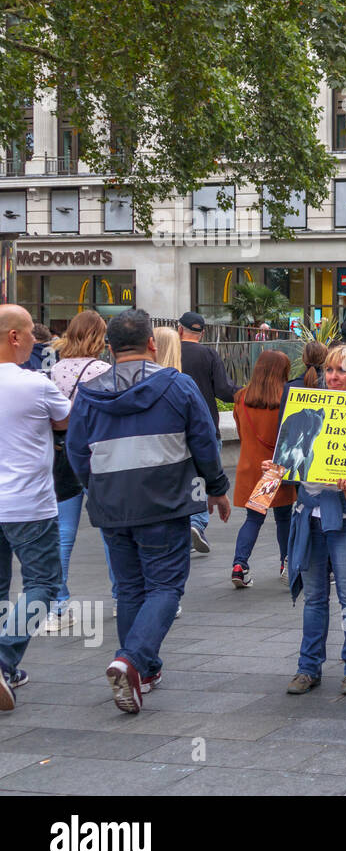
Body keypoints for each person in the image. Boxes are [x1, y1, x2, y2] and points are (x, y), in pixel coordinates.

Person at [66, 309, 231, 713]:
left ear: (109, 347)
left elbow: (75, 452)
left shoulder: (89, 392)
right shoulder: (177, 385)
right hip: (165, 502)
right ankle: (132, 659)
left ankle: (146, 669)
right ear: (152, 344)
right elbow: (205, 441)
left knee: (128, 588)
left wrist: (96, 487)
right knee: (165, 586)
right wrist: (216, 488)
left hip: (112, 505)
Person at [284, 345, 346, 696]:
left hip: (345, 515)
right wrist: (278, 468)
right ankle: (307, 667)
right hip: (309, 514)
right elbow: (291, 457)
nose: (332, 377)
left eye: (341, 370)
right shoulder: (307, 408)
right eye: (329, 370)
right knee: (313, 598)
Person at [0, 305, 72, 709]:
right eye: (30, 333)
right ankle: (4, 656)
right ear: (14, 337)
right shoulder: (35, 384)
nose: (35, 341)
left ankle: (7, 671)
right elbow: (67, 422)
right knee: (42, 584)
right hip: (29, 502)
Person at [45, 311, 113, 630]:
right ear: (99, 337)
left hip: (63, 454)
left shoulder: (54, 369)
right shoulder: (104, 371)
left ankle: (58, 604)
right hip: (98, 455)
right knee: (112, 530)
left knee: (63, 532)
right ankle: (122, 595)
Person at [229, 350, 295, 589]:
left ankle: (239, 564)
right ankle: (286, 563)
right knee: (284, 517)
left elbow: (240, 432)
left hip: (249, 466)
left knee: (253, 518)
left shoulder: (241, 397)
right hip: (275, 470)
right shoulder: (285, 400)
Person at [178, 311, 235, 554]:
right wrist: (246, 393)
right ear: (202, 333)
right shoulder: (208, 354)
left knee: (179, 478)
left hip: (173, 427)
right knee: (201, 477)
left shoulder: (169, 353)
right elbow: (223, 391)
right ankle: (197, 523)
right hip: (206, 426)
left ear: (179, 330)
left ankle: (181, 526)